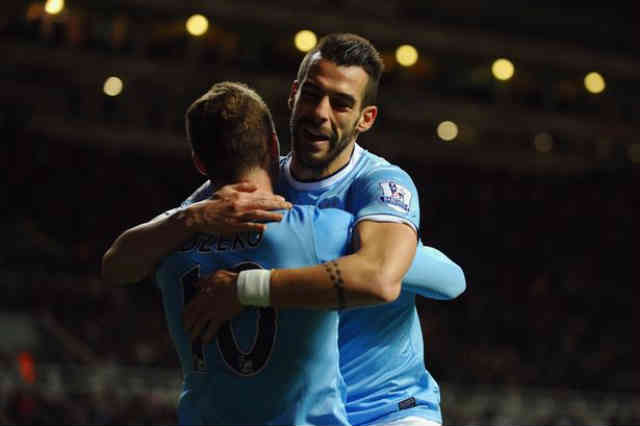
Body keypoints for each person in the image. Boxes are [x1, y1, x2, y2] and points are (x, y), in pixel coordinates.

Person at [103, 33, 466, 426]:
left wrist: (248, 289)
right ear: (293, 95)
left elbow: (437, 280)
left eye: (341, 103)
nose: (320, 112)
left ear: (366, 118)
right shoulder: (254, 184)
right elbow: (118, 266)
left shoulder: (378, 184)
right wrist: (188, 217)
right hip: (306, 411)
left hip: (387, 407)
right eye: (312, 94)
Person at [153, 81, 358, 425]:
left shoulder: (167, 246)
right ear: (273, 145)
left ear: (200, 164)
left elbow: (115, 263)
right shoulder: (320, 230)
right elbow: (439, 278)